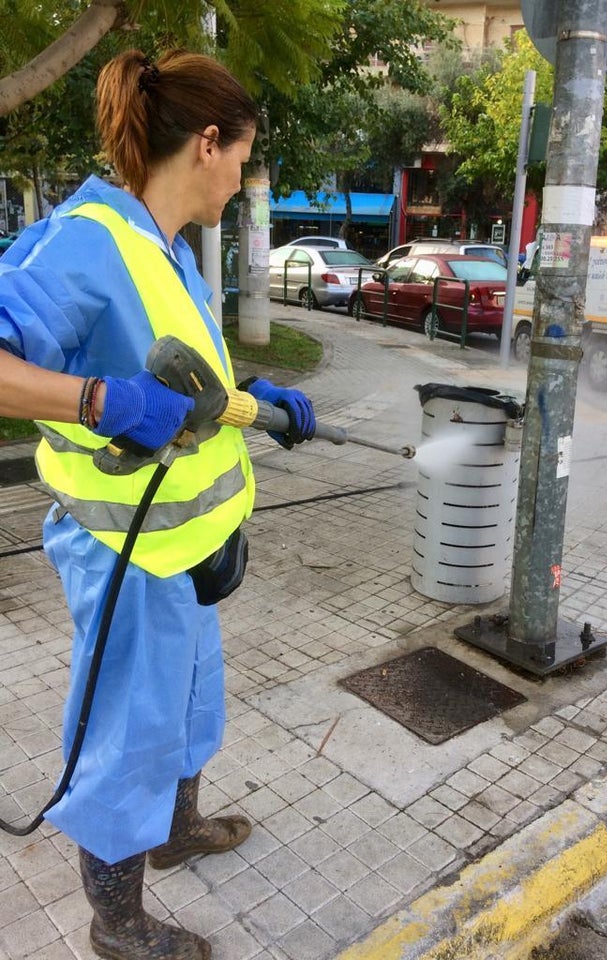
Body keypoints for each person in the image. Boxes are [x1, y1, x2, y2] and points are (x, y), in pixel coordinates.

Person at [0, 49, 316, 960]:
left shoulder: (169, 248)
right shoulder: (86, 239)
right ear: (207, 143)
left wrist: (251, 393)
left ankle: (174, 834)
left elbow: (179, 375)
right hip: (124, 551)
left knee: (188, 705)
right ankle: (117, 923)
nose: (246, 182)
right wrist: (99, 401)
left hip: (186, 548)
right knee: (128, 733)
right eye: (245, 158)